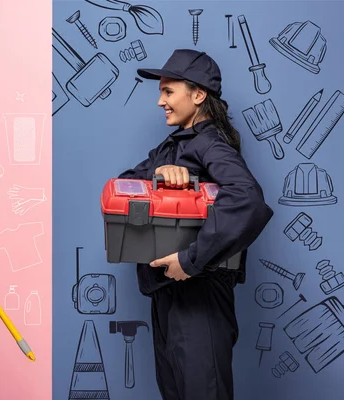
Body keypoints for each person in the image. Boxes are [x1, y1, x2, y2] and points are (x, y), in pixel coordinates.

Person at [117, 49, 274, 400]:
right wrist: (159, 175)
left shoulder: (210, 144)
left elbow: (247, 199)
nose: (160, 101)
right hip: (166, 292)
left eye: (168, 92)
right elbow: (123, 185)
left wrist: (190, 260)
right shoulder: (169, 149)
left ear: (198, 95)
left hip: (199, 295)